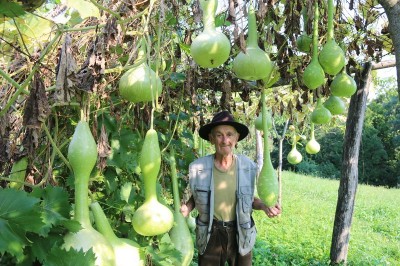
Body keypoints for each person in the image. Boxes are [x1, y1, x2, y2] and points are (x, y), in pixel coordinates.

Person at [180, 110, 281, 266]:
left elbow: (248, 199)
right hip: (210, 233)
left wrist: (264, 206)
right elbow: (197, 196)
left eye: (229, 134)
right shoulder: (198, 167)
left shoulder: (248, 167)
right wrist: (187, 208)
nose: (224, 140)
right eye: (219, 135)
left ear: (237, 138)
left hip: (241, 231)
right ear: (211, 138)